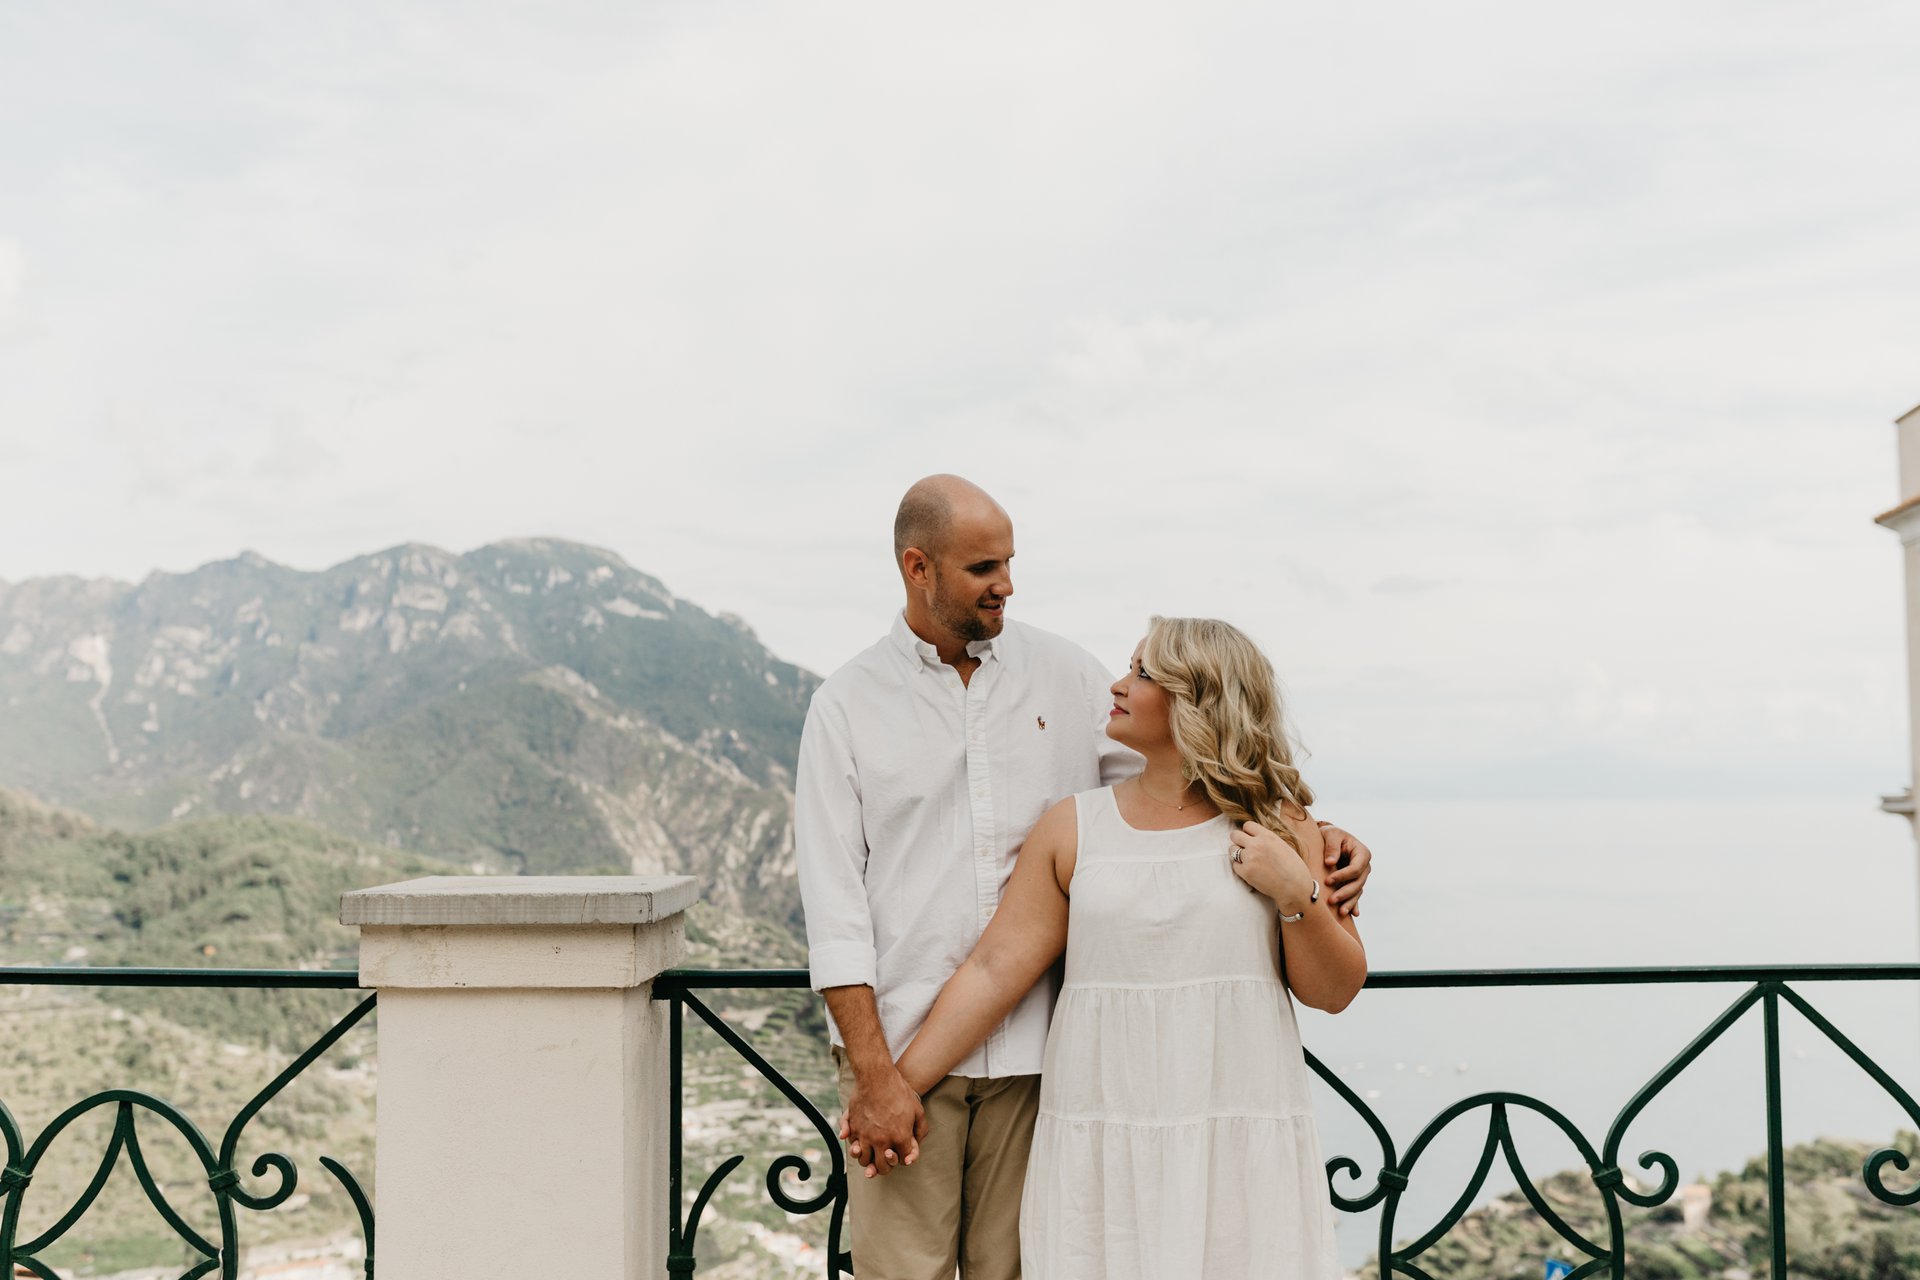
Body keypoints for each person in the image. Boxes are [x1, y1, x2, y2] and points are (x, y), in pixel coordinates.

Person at [794, 477, 1372, 1280]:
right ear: (917, 568)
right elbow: (839, 913)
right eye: (983, 567)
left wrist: (1316, 849)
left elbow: (1189, 785)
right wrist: (880, 1083)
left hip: (1049, 1065)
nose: (1006, 583)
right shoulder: (847, 705)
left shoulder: (1066, 675)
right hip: (910, 1052)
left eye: (1009, 562)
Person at [894, 616, 1365, 1280]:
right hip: (1102, 1132)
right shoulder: (1074, 827)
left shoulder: (1280, 824)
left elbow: (1334, 990)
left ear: (1198, 699)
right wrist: (896, 1087)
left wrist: (1297, 891)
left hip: (1233, 1132)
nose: (1117, 684)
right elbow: (995, 969)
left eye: (1143, 673)